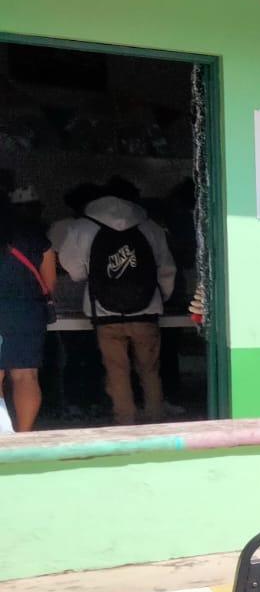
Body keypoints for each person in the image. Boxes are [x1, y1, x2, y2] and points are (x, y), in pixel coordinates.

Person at [57, 178, 177, 425]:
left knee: (116, 372)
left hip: (104, 312)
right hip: (146, 310)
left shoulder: (83, 227)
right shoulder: (150, 227)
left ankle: (126, 422)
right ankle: (156, 420)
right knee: (150, 371)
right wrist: (161, 297)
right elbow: (166, 268)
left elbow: (74, 270)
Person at [0, 197, 56, 432]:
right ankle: (24, 437)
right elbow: (49, 283)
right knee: (26, 376)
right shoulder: (34, 235)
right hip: (27, 312)